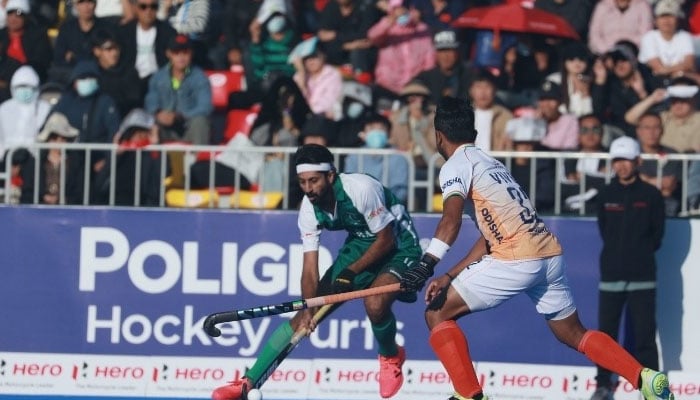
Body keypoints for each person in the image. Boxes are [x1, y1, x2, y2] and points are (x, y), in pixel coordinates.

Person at [398, 96, 675, 400]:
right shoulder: (493, 165)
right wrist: (448, 275)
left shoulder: (455, 166)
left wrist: (425, 264)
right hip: (549, 256)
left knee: (436, 314)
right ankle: (645, 378)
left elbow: (449, 222)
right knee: (572, 333)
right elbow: (489, 237)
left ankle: (469, 395)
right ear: (474, 134)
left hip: (518, 258)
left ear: (438, 136)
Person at [212, 143, 423, 400]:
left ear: (330, 176)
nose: (308, 188)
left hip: (400, 244)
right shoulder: (308, 208)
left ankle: (391, 356)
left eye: (313, 180)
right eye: (302, 182)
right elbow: (310, 267)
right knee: (301, 317)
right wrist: (308, 308)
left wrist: (351, 271)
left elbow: (386, 240)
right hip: (360, 244)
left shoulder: (360, 189)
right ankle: (247, 382)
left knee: (375, 303)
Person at [591, 135, 666, 400]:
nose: (621, 166)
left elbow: (657, 235)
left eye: (626, 160)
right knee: (605, 337)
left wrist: (638, 256)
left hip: (643, 276)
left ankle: (654, 388)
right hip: (611, 275)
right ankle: (602, 385)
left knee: (645, 337)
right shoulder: (605, 194)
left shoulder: (652, 195)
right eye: (616, 161)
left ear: (638, 161)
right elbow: (605, 230)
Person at [144, 33, 213, 145]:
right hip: (165, 129)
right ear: (168, 54)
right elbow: (150, 102)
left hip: (189, 128)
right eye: (176, 53)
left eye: (185, 52)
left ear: (191, 54)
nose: (181, 57)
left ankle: (200, 160)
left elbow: (205, 107)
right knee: (150, 125)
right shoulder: (158, 77)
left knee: (201, 122)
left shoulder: (200, 78)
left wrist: (180, 116)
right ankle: (152, 160)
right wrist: (159, 114)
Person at [344, 113, 410, 203]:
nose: (377, 132)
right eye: (371, 128)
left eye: (381, 129)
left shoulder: (399, 157)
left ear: (388, 134)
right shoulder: (353, 157)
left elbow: (401, 192)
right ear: (363, 133)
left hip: (390, 208)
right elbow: (348, 188)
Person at [118, 0, 177, 93]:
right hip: (131, 82)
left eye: (153, 6)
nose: (148, 11)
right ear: (136, 8)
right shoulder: (124, 32)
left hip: (159, 81)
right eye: (143, 7)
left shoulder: (168, 32)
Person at [0, 0, 52, 82]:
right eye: (10, 13)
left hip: (27, 79)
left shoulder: (38, 36)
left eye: (19, 14)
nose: (13, 18)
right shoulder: (1, 35)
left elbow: (40, 64)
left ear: (26, 17)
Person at [587, 0, 653, 56]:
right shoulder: (603, 6)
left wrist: (629, 48)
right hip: (605, 52)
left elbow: (646, 34)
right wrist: (606, 50)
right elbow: (594, 34)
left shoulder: (642, 5)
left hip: (634, 52)